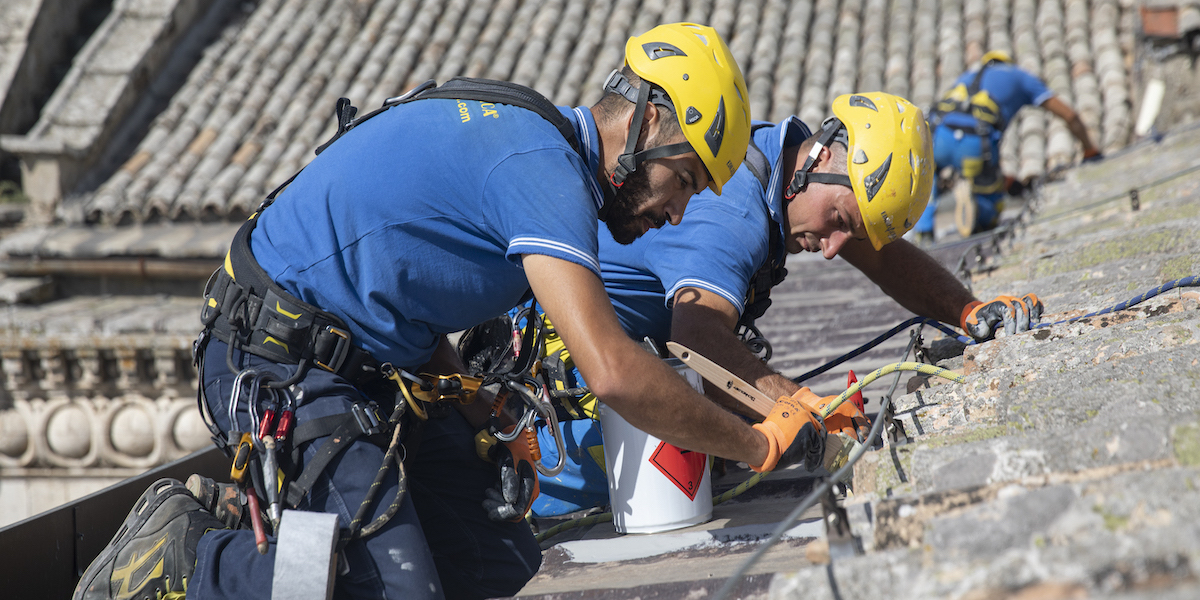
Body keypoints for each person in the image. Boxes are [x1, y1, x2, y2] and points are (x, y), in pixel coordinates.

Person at [71, 22, 828, 600]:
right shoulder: (542, 171)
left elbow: (411, 296)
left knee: (493, 557)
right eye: (686, 179)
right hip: (279, 361)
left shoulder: (537, 151)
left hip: (368, 364)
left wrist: (479, 412)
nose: (678, 211)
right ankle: (190, 558)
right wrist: (756, 444)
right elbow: (615, 373)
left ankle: (276, 538)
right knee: (389, 588)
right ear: (645, 127)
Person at [528, 92, 1047, 517]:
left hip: (634, 368)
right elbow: (697, 341)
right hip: (563, 405)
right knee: (667, 489)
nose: (832, 249)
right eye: (841, 221)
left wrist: (966, 311)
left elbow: (884, 259)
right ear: (822, 156)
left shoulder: (783, 166)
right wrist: (806, 407)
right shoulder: (735, 212)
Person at [912, 50, 1102, 242]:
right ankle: (981, 233)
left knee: (928, 181)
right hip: (975, 144)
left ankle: (924, 233)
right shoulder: (1021, 76)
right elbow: (1070, 116)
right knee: (987, 209)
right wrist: (1089, 150)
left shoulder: (967, 76)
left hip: (938, 137)